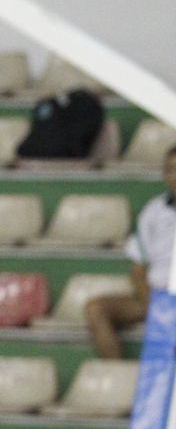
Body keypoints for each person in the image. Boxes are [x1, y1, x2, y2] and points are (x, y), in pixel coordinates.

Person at [86, 145, 175, 359]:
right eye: (171, 169)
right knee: (96, 309)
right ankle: (117, 377)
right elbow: (138, 271)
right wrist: (154, 304)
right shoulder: (153, 211)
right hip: (155, 297)